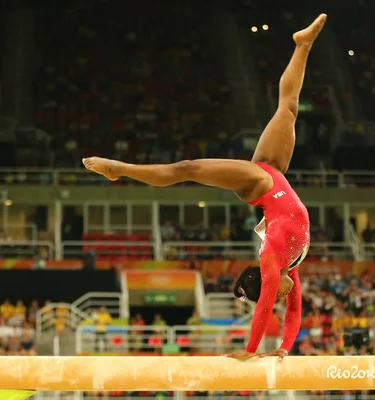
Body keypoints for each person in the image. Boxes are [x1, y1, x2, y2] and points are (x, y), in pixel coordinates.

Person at [83, 13, 327, 360]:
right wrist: (285, 348)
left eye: (276, 295)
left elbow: (273, 307)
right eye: (281, 295)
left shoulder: (274, 258)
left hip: (260, 183)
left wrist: (250, 350)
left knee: (191, 167)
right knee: (286, 110)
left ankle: (120, 169)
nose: (287, 296)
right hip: (271, 174)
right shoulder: (291, 264)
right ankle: (303, 45)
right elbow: (293, 313)